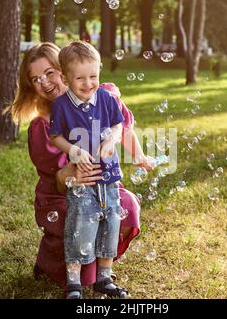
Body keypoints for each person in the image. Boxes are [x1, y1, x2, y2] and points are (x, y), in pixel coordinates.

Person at [9, 42, 154, 298]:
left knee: (125, 206)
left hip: (99, 183)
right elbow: (57, 178)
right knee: (77, 222)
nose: (45, 82)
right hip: (60, 193)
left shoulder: (103, 96)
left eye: (49, 72)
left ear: (63, 70)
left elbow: (123, 127)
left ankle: (102, 268)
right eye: (36, 79)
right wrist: (70, 172)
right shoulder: (42, 126)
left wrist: (140, 156)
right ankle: (49, 260)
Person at [49, 41, 128, 299]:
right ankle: (73, 281)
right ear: (65, 77)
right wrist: (73, 151)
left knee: (110, 224)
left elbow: (118, 125)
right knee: (81, 225)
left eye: (93, 76)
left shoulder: (106, 99)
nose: (88, 83)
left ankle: (104, 278)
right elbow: (55, 136)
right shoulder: (61, 105)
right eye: (80, 78)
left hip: (109, 176)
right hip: (82, 180)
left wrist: (111, 140)